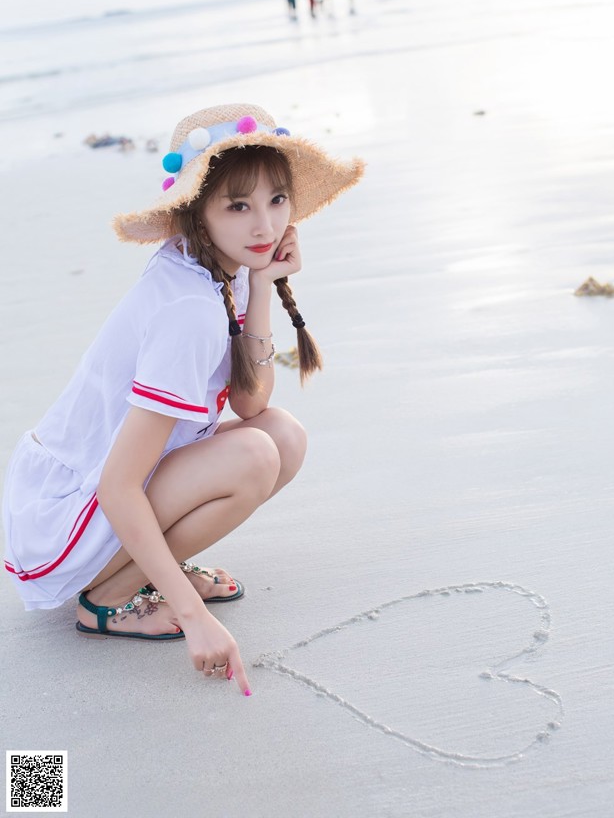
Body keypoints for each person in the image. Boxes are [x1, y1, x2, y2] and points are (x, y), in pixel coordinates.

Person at [2, 103, 364, 694]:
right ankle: (108, 599)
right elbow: (119, 483)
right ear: (200, 212)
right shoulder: (188, 308)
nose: (264, 226)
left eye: (277, 200)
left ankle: (143, 573)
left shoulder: (223, 270)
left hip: (109, 492)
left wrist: (265, 285)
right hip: (68, 514)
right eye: (238, 205)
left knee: (282, 438)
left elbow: (250, 405)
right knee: (254, 457)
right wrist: (195, 620)